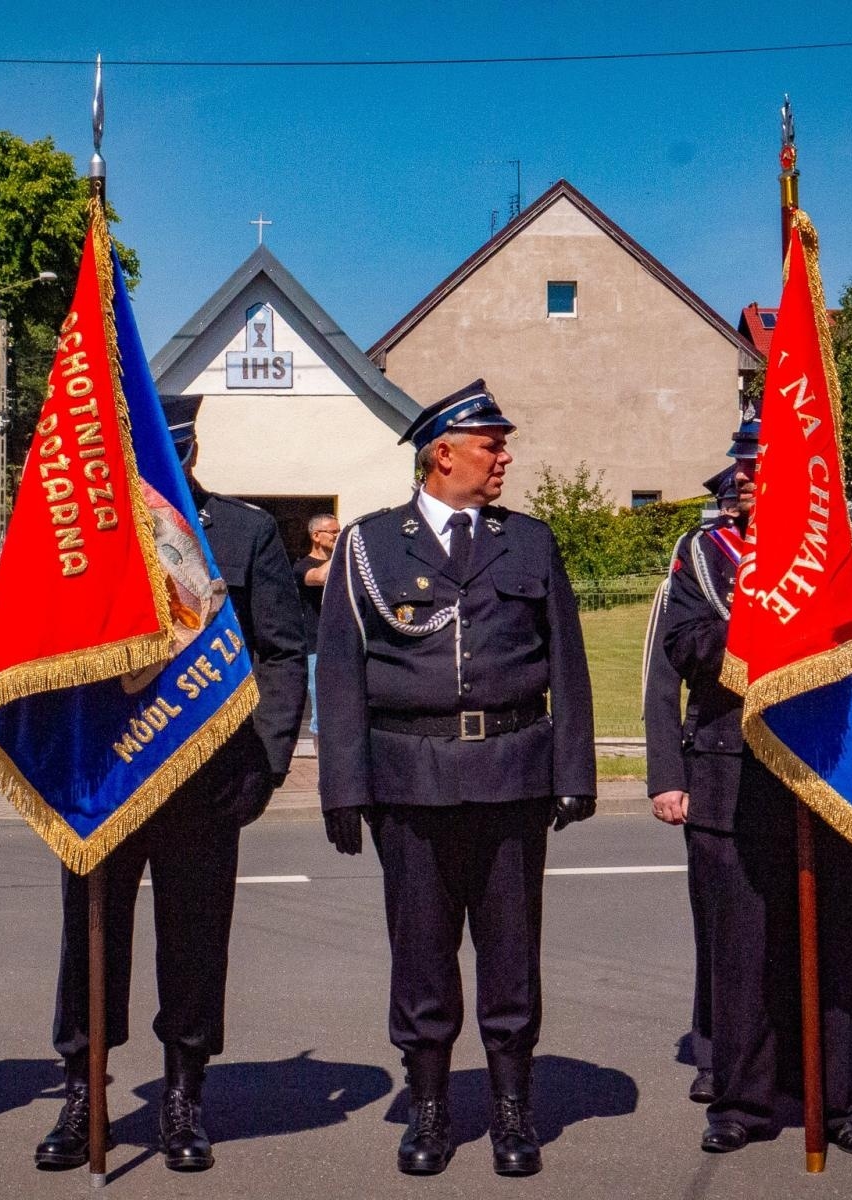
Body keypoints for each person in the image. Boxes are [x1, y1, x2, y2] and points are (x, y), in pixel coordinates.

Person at [315, 379, 595, 1178]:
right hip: (409, 781)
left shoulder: (530, 542)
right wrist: (345, 786)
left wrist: (572, 770)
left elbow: (566, 664)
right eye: (490, 444)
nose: (504, 456)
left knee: (511, 956)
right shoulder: (370, 545)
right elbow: (339, 673)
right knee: (422, 955)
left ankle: (513, 1108)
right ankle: (431, 1108)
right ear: (444, 454)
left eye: (503, 443)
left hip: (512, 775)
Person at [37, 395, 307, 1173]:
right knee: (89, 944)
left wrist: (271, 760)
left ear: (187, 454)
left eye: (174, 460)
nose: (164, 475)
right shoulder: (84, 540)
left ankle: (184, 1093)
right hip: (105, 773)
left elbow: (283, 654)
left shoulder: (245, 532)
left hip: (206, 777)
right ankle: (83, 1094)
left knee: (193, 942)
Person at [663, 416, 852, 1157]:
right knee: (741, 953)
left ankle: (842, 1103)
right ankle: (741, 1102)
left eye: (759, 464)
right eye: (740, 463)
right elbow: (683, 645)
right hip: (733, 772)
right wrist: (762, 637)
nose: (743, 476)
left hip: (831, 769)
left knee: (839, 949)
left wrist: (821, 642)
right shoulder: (706, 555)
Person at [645, 463, 738, 1106]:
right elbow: (661, 676)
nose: (741, 510)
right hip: (716, 763)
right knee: (719, 928)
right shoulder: (700, 561)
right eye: (734, 501)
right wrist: (666, 776)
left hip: (796, 768)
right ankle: (713, 1051)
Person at [293, 512, 340, 737]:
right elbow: (319, 577)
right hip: (316, 649)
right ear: (316, 536)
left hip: (344, 646)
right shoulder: (302, 565)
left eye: (340, 532)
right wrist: (342, 551)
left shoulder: (342, 564)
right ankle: (323, 769)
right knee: (322, 714)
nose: (338, 536)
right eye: (334, 532)